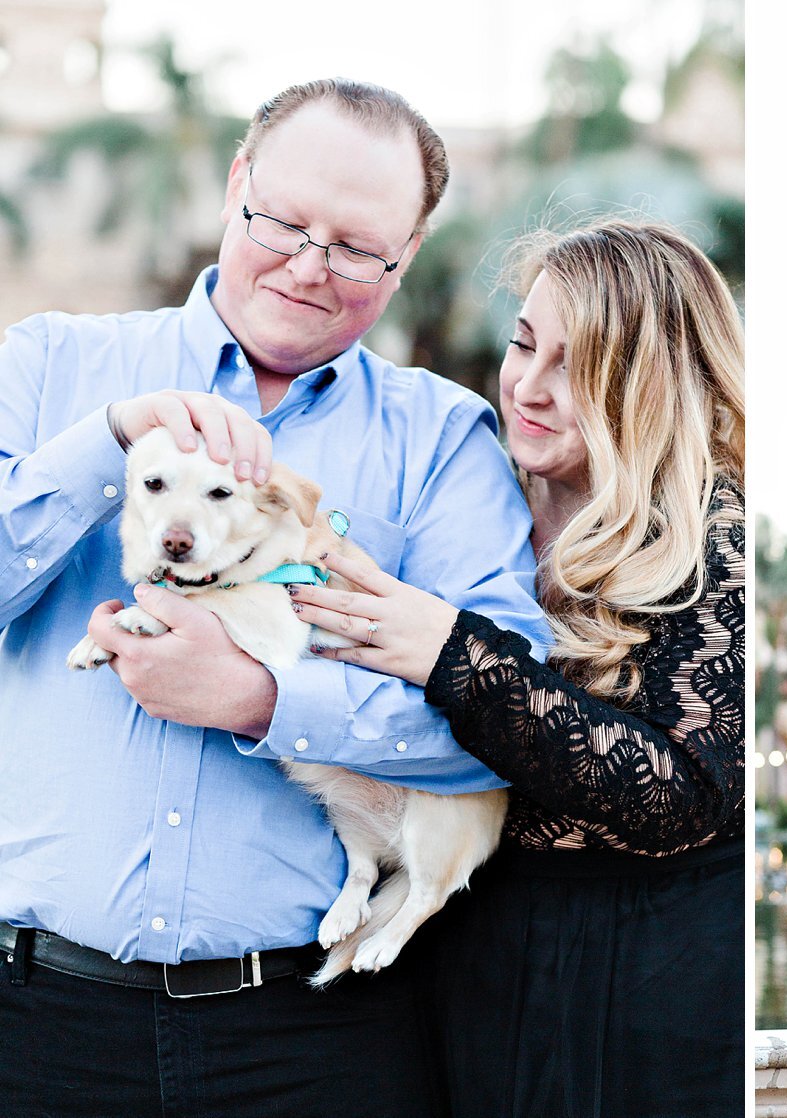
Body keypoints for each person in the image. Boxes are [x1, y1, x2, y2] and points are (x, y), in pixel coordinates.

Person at [0, 79, 549, 1117]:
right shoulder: (50, 367)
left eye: (355, 247)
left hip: (313, 1033)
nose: (309, 265)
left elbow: (511, 715)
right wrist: (111, 442)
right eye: (286, 222)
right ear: (236, 185)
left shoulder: (445, 443)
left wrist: (263, 701)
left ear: (406, 256)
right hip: (34, 1021)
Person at [285, 217, 746, 1117]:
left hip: (645, 979)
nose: (527, 389)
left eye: (574, 367)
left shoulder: (710, 533)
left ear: (649, 386)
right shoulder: (472, 495)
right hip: (463, 953)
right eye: (522, 344)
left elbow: (683, 794)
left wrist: (452, 654)